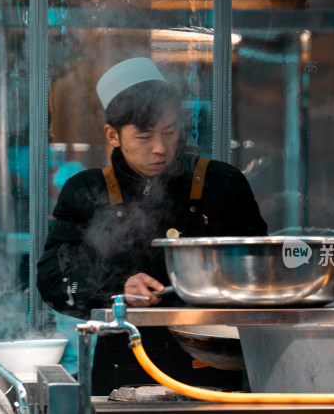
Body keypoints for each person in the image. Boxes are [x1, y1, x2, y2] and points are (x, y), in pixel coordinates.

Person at [37, 57, 267, 395]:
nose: (160, 148)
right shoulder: (87, 191)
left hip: (209, 360)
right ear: (112, 135)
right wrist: (119, 288)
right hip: (122, 362)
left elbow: (259, 266)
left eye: (169, 132)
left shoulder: (222, 183)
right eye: (144, 136)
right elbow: (54, 279)